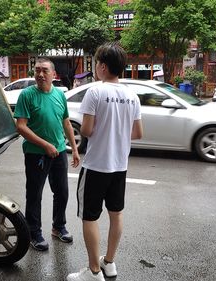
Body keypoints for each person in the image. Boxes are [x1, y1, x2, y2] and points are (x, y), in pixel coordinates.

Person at [67, 43, 143, 281]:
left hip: (97, 165)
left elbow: (87, 130)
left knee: (89, 217)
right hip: (119, 166)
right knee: (116, 214)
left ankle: (93, 272)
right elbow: (138, 133)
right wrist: (117, 132)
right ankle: (109, 263)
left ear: (102, 66)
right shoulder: (132, 95)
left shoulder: (95, 92)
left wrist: (104, 130)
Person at [14, 57, 80, 251]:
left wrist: (74, 150)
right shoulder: (27, 95)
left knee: (62, 192)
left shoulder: (59, 95)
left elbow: (66, 122)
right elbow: (21, 126)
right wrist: (45, 145)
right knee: (34, 195)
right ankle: (34, 232)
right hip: (36, 154)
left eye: (44, 71)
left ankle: (58, 227)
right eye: (37, 70)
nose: (40, 74)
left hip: (59, 151)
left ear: (53, 74)